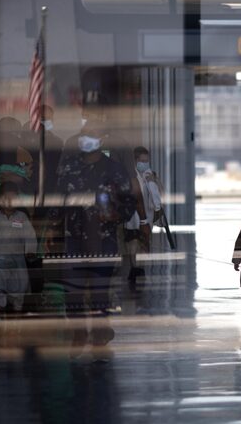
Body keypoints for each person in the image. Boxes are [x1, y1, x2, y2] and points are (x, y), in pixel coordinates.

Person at [45, 120, 137, 311]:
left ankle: (99, 333)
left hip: (104, 240)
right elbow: (57, 201)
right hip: (73, 240)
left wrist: (112, 216)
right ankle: (78, 334)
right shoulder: (69, 167)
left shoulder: (114, 170)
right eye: (83, 134)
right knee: (73, 293)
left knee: (100, 292)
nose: (85, 139)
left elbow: (129, 203)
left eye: (91, 134)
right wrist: (51, 228)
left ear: (102, 140)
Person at [0, 181, 37, 314]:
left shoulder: (21, 217)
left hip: (17, 260)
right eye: (6, 198)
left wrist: (30, 251)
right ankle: (0, 309)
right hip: (0, 260)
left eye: (13, 198)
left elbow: (30, 235)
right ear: (0, 199)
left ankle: (17, 313)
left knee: (19, 287)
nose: (9, 202)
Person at [123, 146, 164, 287]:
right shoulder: (130, 175)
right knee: (132, 241)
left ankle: (140, 267)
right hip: (132, 216)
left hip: (149, 216)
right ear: (135, 161)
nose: (145, 163)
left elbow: (161, 194)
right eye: (142, 161)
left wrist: (156, 180)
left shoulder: (149, 174)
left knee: (144, 242)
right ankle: (134, 267)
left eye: (147, 161)